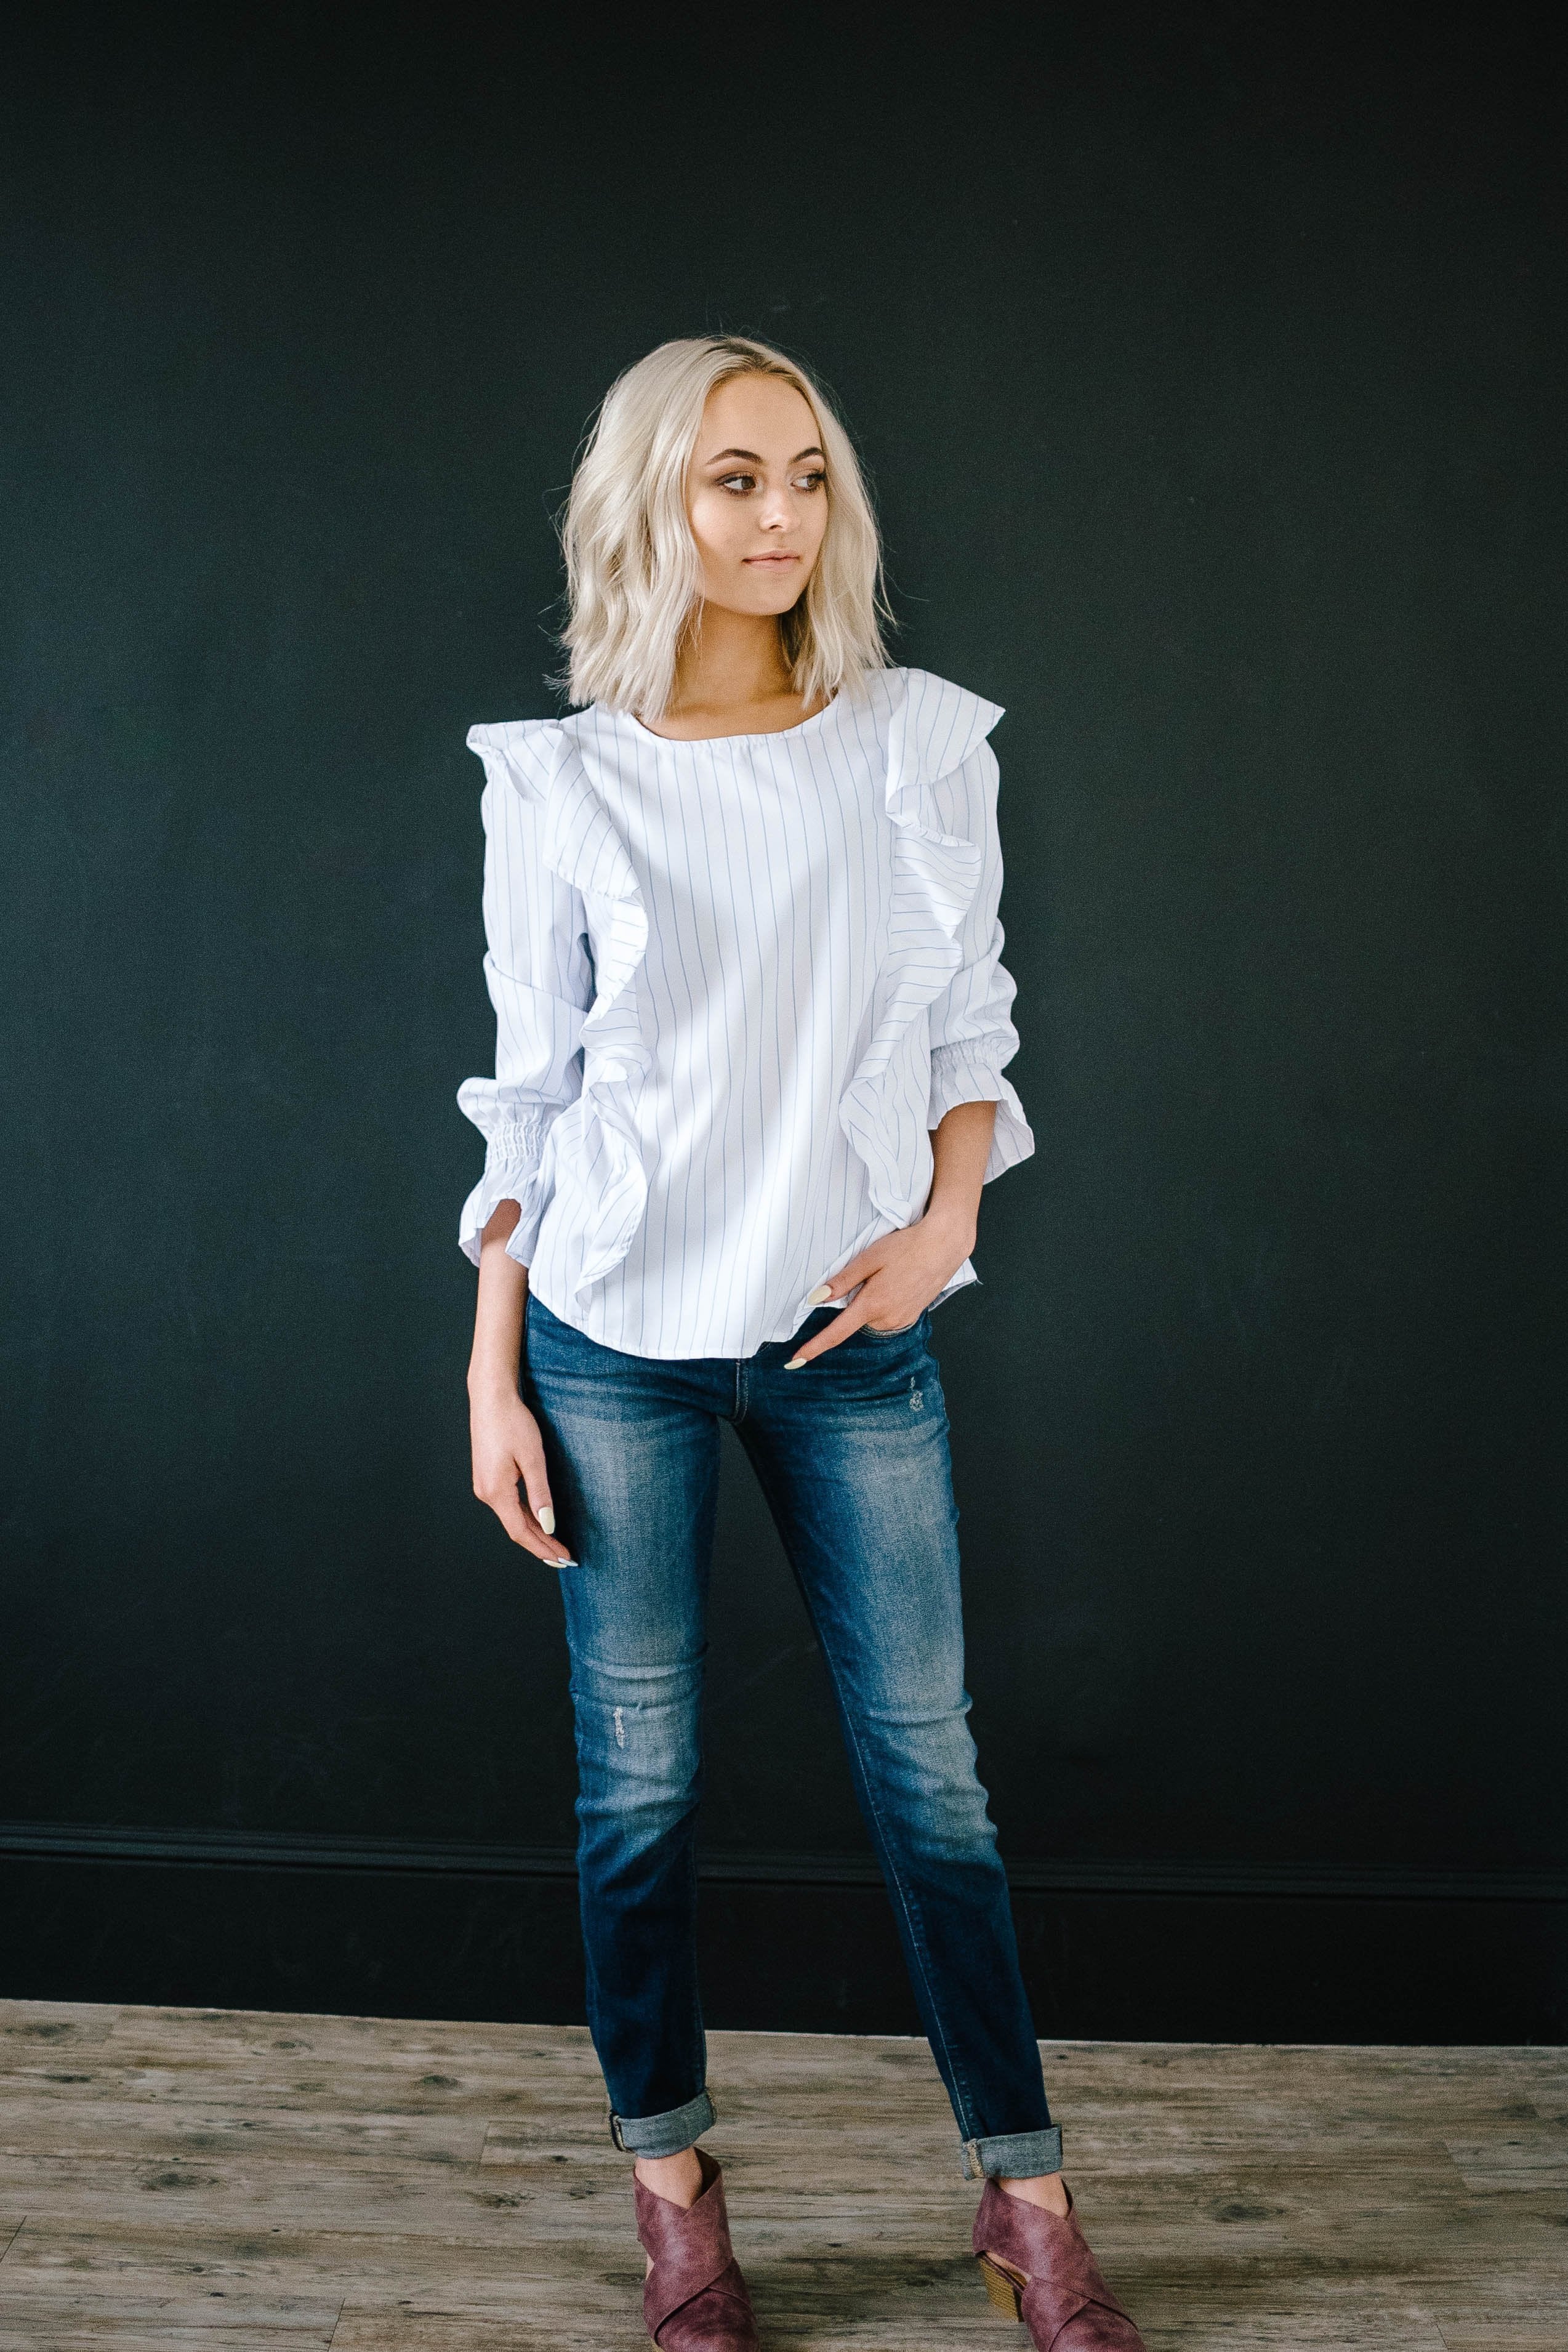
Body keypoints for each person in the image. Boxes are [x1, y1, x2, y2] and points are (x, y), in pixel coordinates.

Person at [459, 335, 1144, 2352]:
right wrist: (491, 1370)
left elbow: (966, 1023)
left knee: (931, 1783)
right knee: (638, 1792)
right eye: (732, 481)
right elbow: (531, 1094)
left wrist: (945, 1226)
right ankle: (674, 2192)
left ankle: (1024, 2201)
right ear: (651, 503)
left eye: (807, 480)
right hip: (607, 1340)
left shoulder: (912, 740)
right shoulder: (558, 776)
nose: (778, 519)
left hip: (849, 1332)